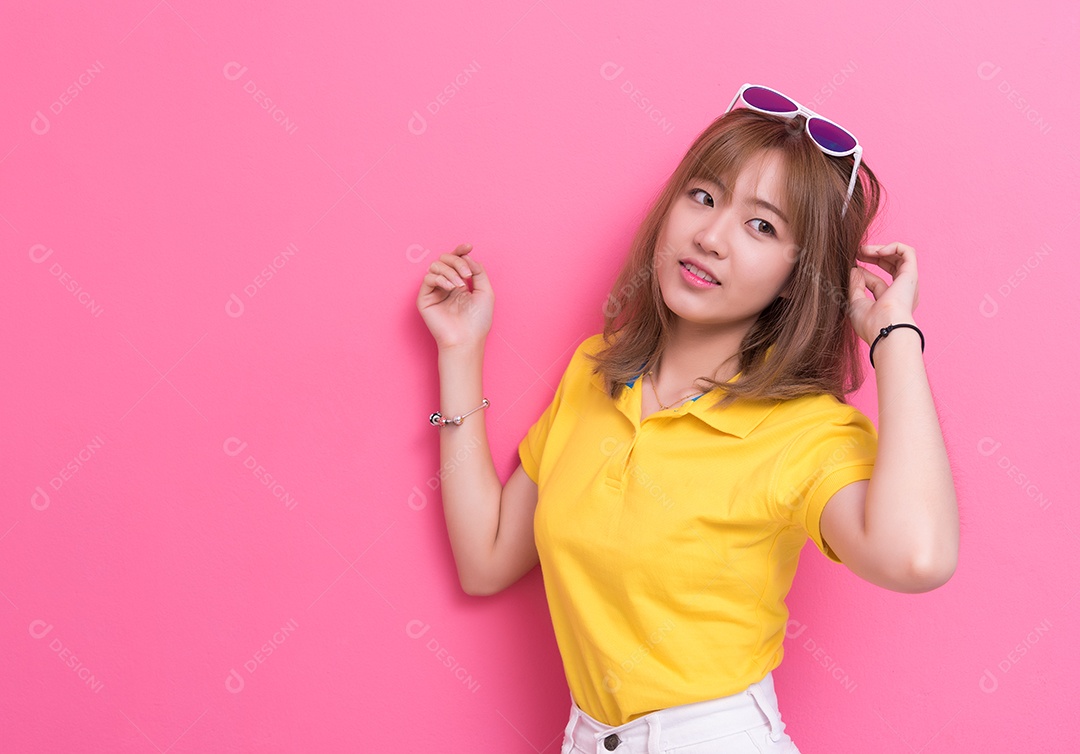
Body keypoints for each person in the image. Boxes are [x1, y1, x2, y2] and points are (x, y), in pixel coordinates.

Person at [416, 83, 958, 753]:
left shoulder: (805, 432)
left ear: (797, 274)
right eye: (703, 197)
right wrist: (459, 353)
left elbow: (919, 557)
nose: (710, 237)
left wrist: (893, 335)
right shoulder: (596, 371)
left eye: (762, 226)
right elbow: (487, 560)